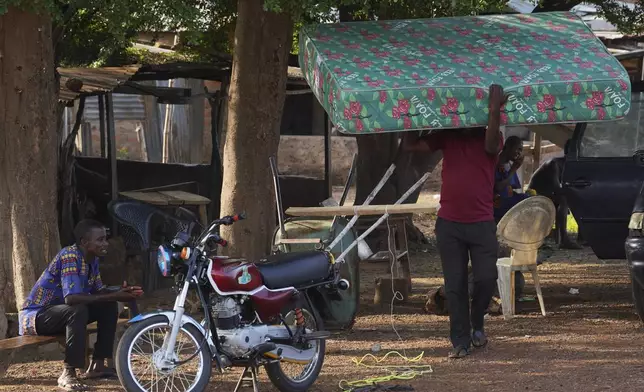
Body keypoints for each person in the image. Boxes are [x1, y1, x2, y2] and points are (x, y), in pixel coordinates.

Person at [402, 84, 505, 358]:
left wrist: (494, 108)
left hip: (482, 224)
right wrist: (408, 112)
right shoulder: (448, 135)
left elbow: (492, 144)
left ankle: (477, 322)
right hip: (450, 225)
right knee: (455, 285)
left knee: (486, 278)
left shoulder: (491, 137)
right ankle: (460, 341)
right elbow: (411, 145)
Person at [19, 219, 143, 391]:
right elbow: (71, 299)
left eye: (105, 239)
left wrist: (122, 292)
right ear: (84, 242)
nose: (105, 243)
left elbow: (98, 292)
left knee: (108, 306)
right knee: (76, 310)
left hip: (63, 313)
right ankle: (68, 374)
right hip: (36, 317)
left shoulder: (92, 259)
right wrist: (114, 295)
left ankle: (98, 365)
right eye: (100, 240)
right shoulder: (70, 255)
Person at [528, 156, 583, 249]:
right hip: (533, 196)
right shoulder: (553, 164)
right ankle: (564, 239)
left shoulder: (565, 167)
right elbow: (557, 189)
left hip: (546, 195)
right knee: (564, 199)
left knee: (572, 198)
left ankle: (581, 237)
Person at [493, 135, 534, 223]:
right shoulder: (496, 163)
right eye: (518, 149)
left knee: (531, 198)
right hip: (497, 202)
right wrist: (513, 169)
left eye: (521, 150)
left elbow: (511, 188)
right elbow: (498, 188)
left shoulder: (509, 164)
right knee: (525, 202)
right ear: (507, 146)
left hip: (508, 198)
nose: (519, 153)